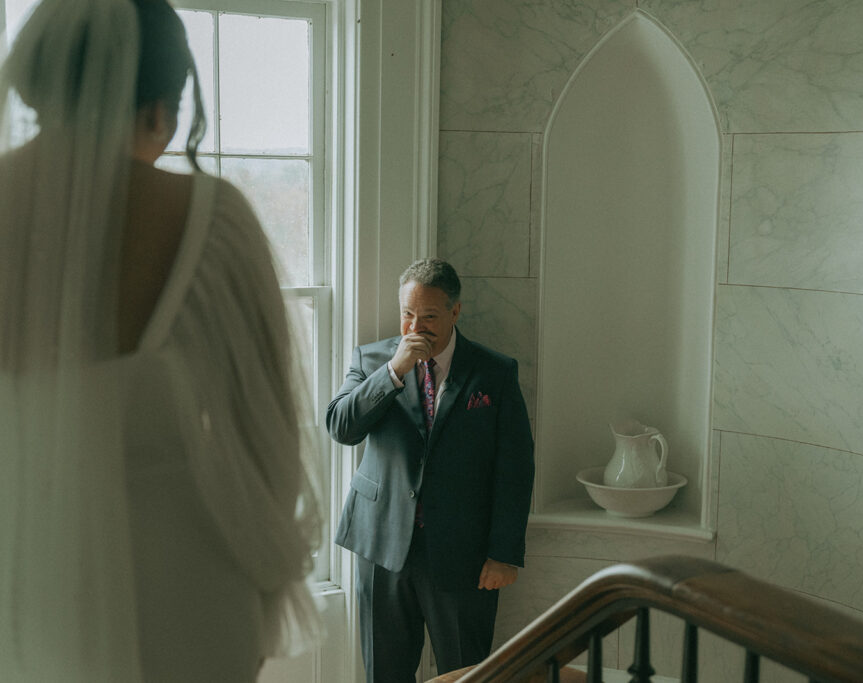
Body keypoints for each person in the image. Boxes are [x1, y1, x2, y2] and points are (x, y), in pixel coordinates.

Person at [0, 1, 322, 680]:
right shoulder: (212, 219)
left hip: (21, 604)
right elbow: (272, 442)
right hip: (187, 606)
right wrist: (264, 598)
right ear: (159, 105)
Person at [327, 258, 535, 682]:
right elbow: (341, 427)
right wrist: (392, 372)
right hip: (382, 547)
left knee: (466, 675)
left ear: (455, 311)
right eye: (407, 314)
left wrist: (503, 553)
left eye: (429, 316)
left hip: (464, 555)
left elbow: (515, 469)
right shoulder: (371, 361)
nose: (415, 326)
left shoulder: (495, 372)